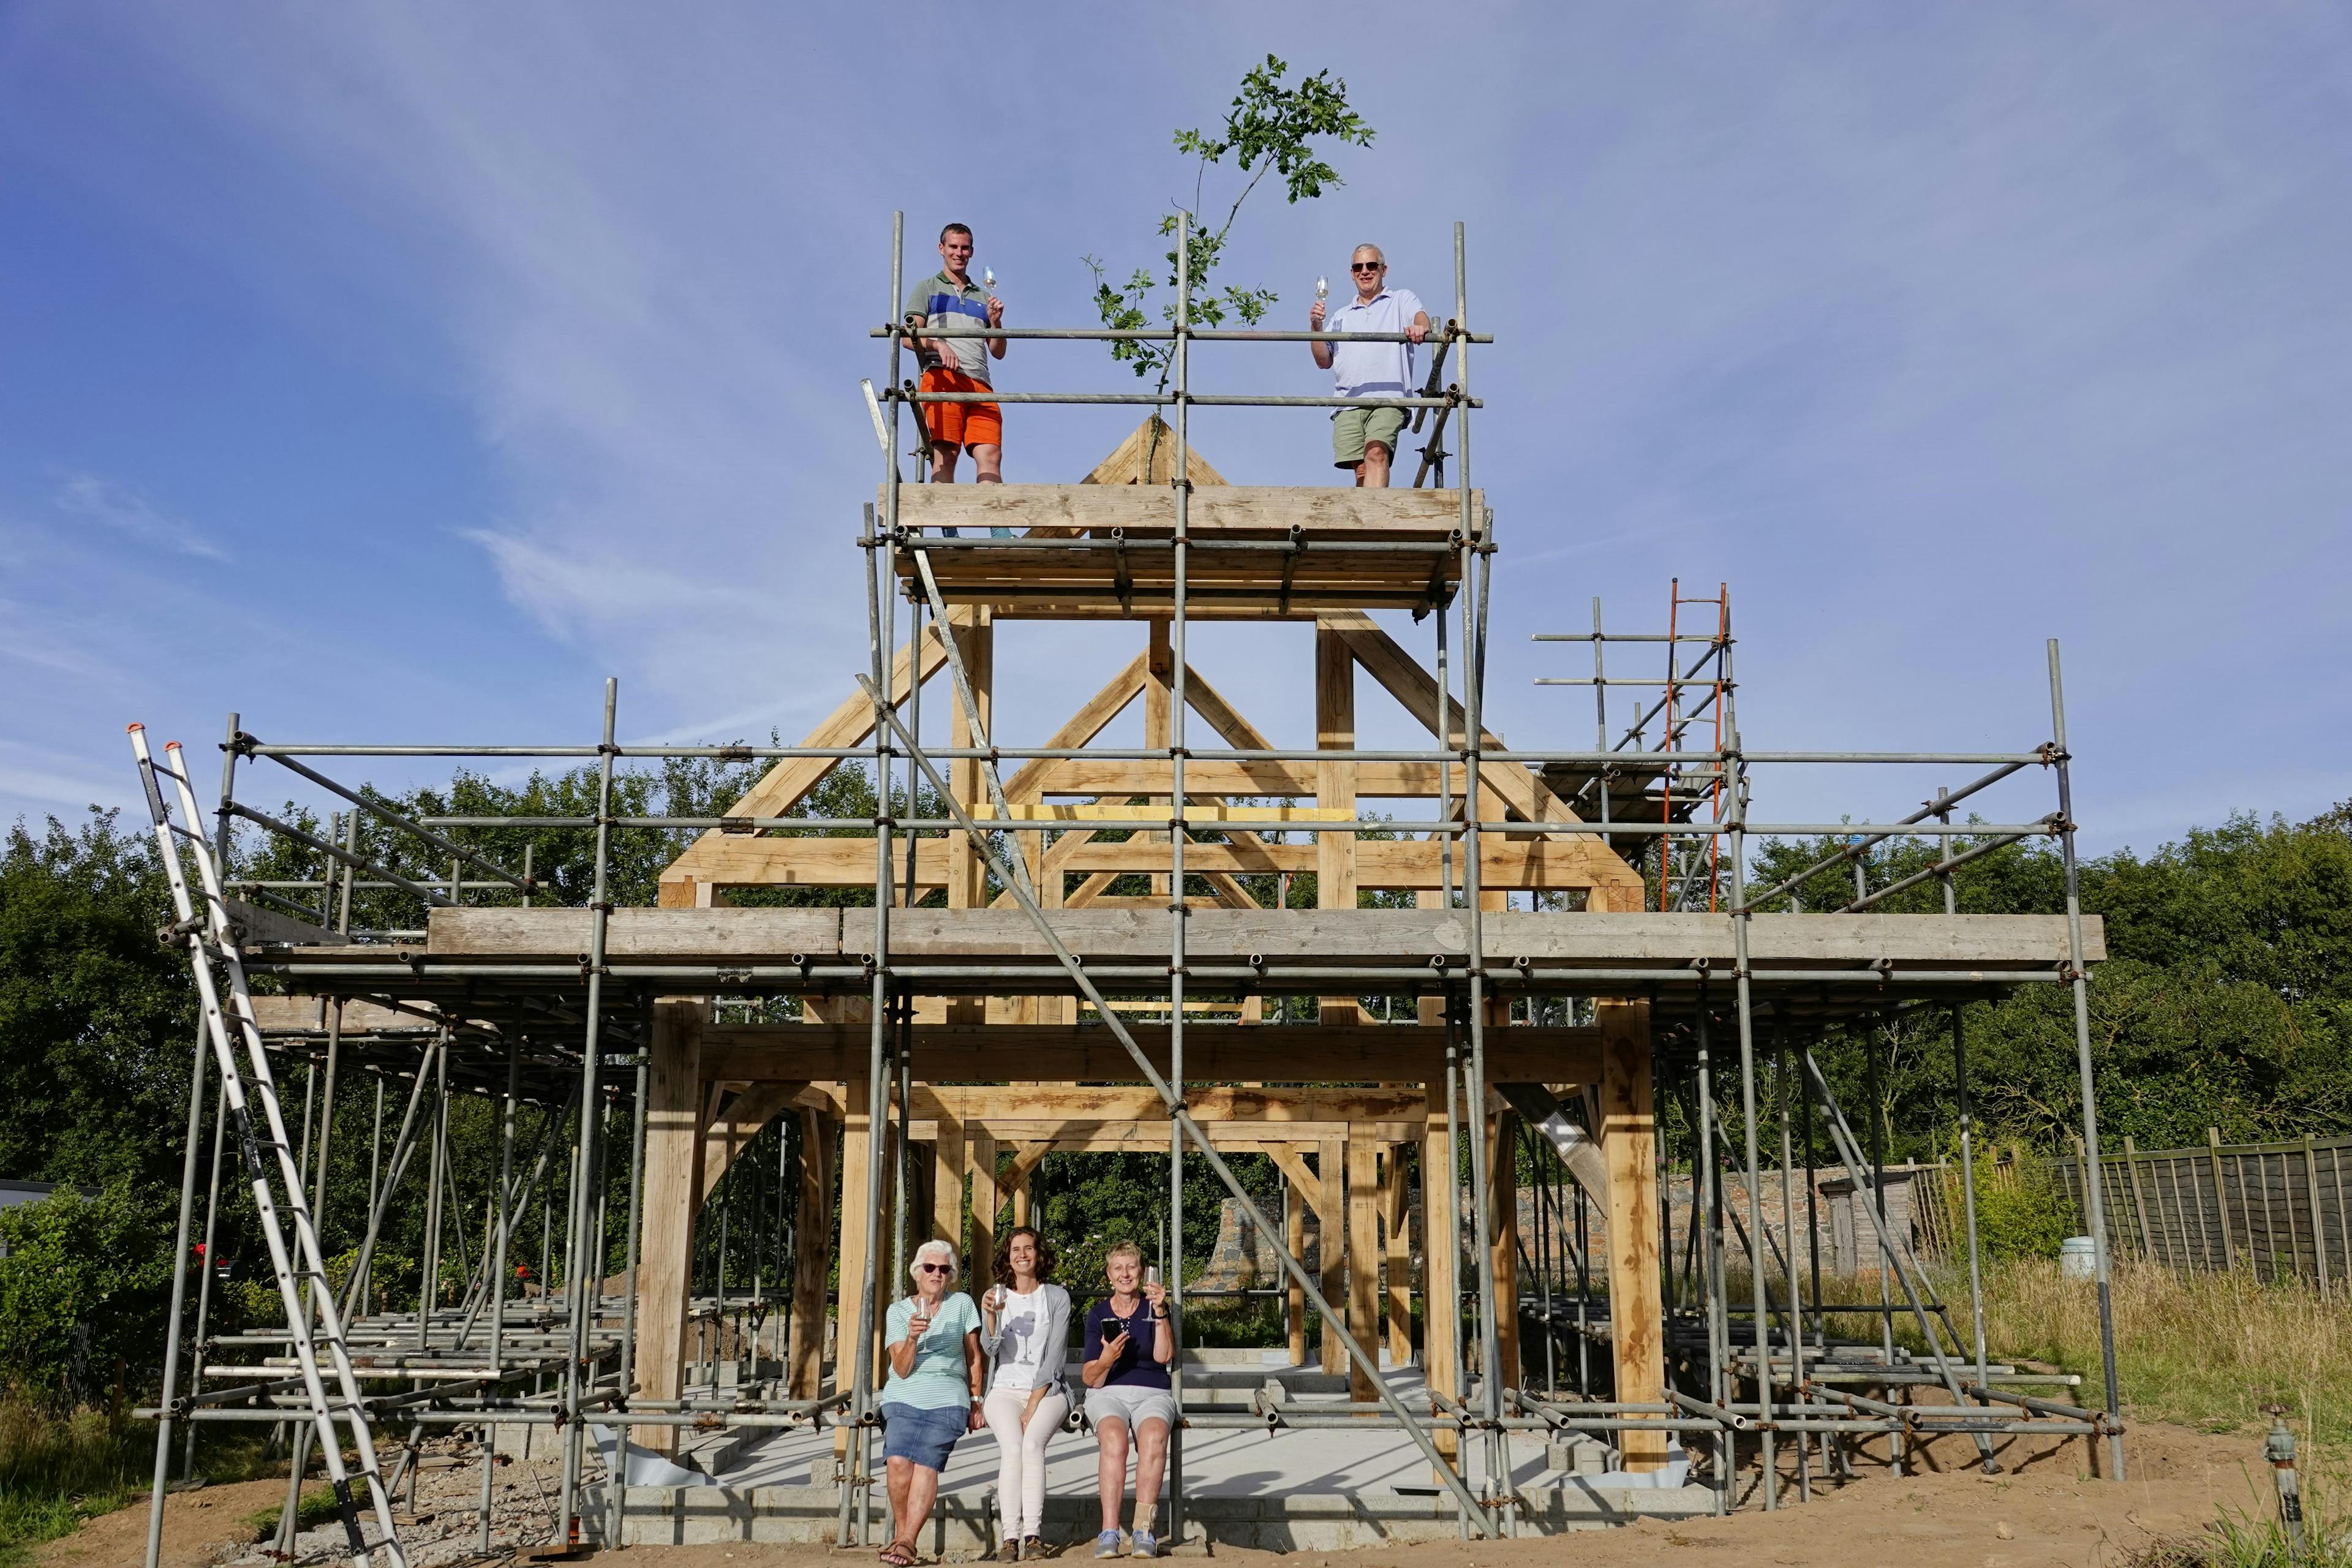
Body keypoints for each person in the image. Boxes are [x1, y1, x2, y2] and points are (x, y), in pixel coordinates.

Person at [878, 1239, 985, 1568]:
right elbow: (901, 1369)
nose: (937, 1274)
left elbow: (974, 1357)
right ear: (917, 1273)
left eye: (944, 1269)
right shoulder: (898, 1311)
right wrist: (912, 1338)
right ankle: (902, 1534)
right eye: (930, 1268)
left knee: (925, 1463)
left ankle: (907, 1541)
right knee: (897, 1460)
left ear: (950, 1276)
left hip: (948, 1395)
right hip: (905, 1394)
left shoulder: (963, 1303)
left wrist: (976, 1399)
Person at [979, 1227, 1072, 1562]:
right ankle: (1009, 1538)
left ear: (1038, 1254)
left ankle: (1033, 1535)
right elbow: (990, 1349)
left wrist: (1034, 1402)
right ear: (1008, 1257)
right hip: (1004, 1389)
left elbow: (1056, 1357)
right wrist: (990, 1315)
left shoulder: (1057, 1297)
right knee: (1014, 1447)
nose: (1022, 1254)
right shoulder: (996, 1295)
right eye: (1015, 1249)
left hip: (1048, 1391)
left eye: (1028, 1248)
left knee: (1033, 1445)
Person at [1307, 243, 1430, 488]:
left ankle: (1375, 524)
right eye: (1358, 267)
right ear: (1352, 273)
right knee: (1362, 470)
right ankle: (1366, 522)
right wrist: (1316, 328)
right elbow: (1323, 360)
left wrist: (1420, 327)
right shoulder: (1341, 315)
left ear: (1384, 269)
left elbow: (1420, 317)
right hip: (1348, 402)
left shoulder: (1400, 299)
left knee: (1376, 453)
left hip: (1389, 398)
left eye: (1371, 265)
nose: (1365, 271)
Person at [1080, 1243, 1173, 1558]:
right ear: (1109, 1275)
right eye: (1118, 1268)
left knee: (1154, 1437)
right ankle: (1109, 1532)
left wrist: (1161, 1312)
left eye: (1131, 1267)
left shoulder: (1155, 1307)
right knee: (1114, 1439)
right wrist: (1107, 1358)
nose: (1125, 1274)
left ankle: (1144, 1530)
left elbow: (1163, 1357)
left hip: (1153, 1391)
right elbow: (1091, 1378)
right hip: (1108, 1393)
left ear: (1142, 1272)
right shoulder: (1098, 1314)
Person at [905, 222, 1008, 485]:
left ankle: (996, 525)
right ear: (942, 249)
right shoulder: (926, 288)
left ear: (972, 252)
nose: (959, 253)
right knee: (946, 455)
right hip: (943, 378)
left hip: (981, 383)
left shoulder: (984, 297)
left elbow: (998, 352)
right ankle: (948, 527)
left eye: (964, 248)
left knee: (991, 455)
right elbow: (908, 336)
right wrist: (938, 344)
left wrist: (995, 324)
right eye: (953, 247)